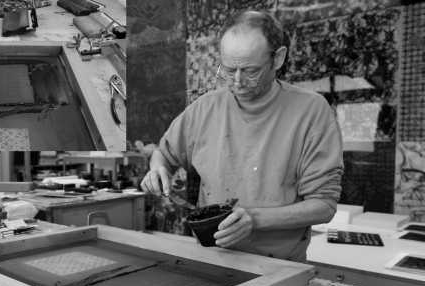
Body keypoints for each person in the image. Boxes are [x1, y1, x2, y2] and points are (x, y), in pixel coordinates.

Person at [140, 10, 343, 262]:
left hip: (278, 264)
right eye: (228, 69)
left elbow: (323, 206)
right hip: (212, 257)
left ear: (278, 59)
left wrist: (254, 219)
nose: (236, 82)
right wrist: (157, 170)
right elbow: (163, 154)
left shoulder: (311, 111)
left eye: (250, 71)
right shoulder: (205, 108)